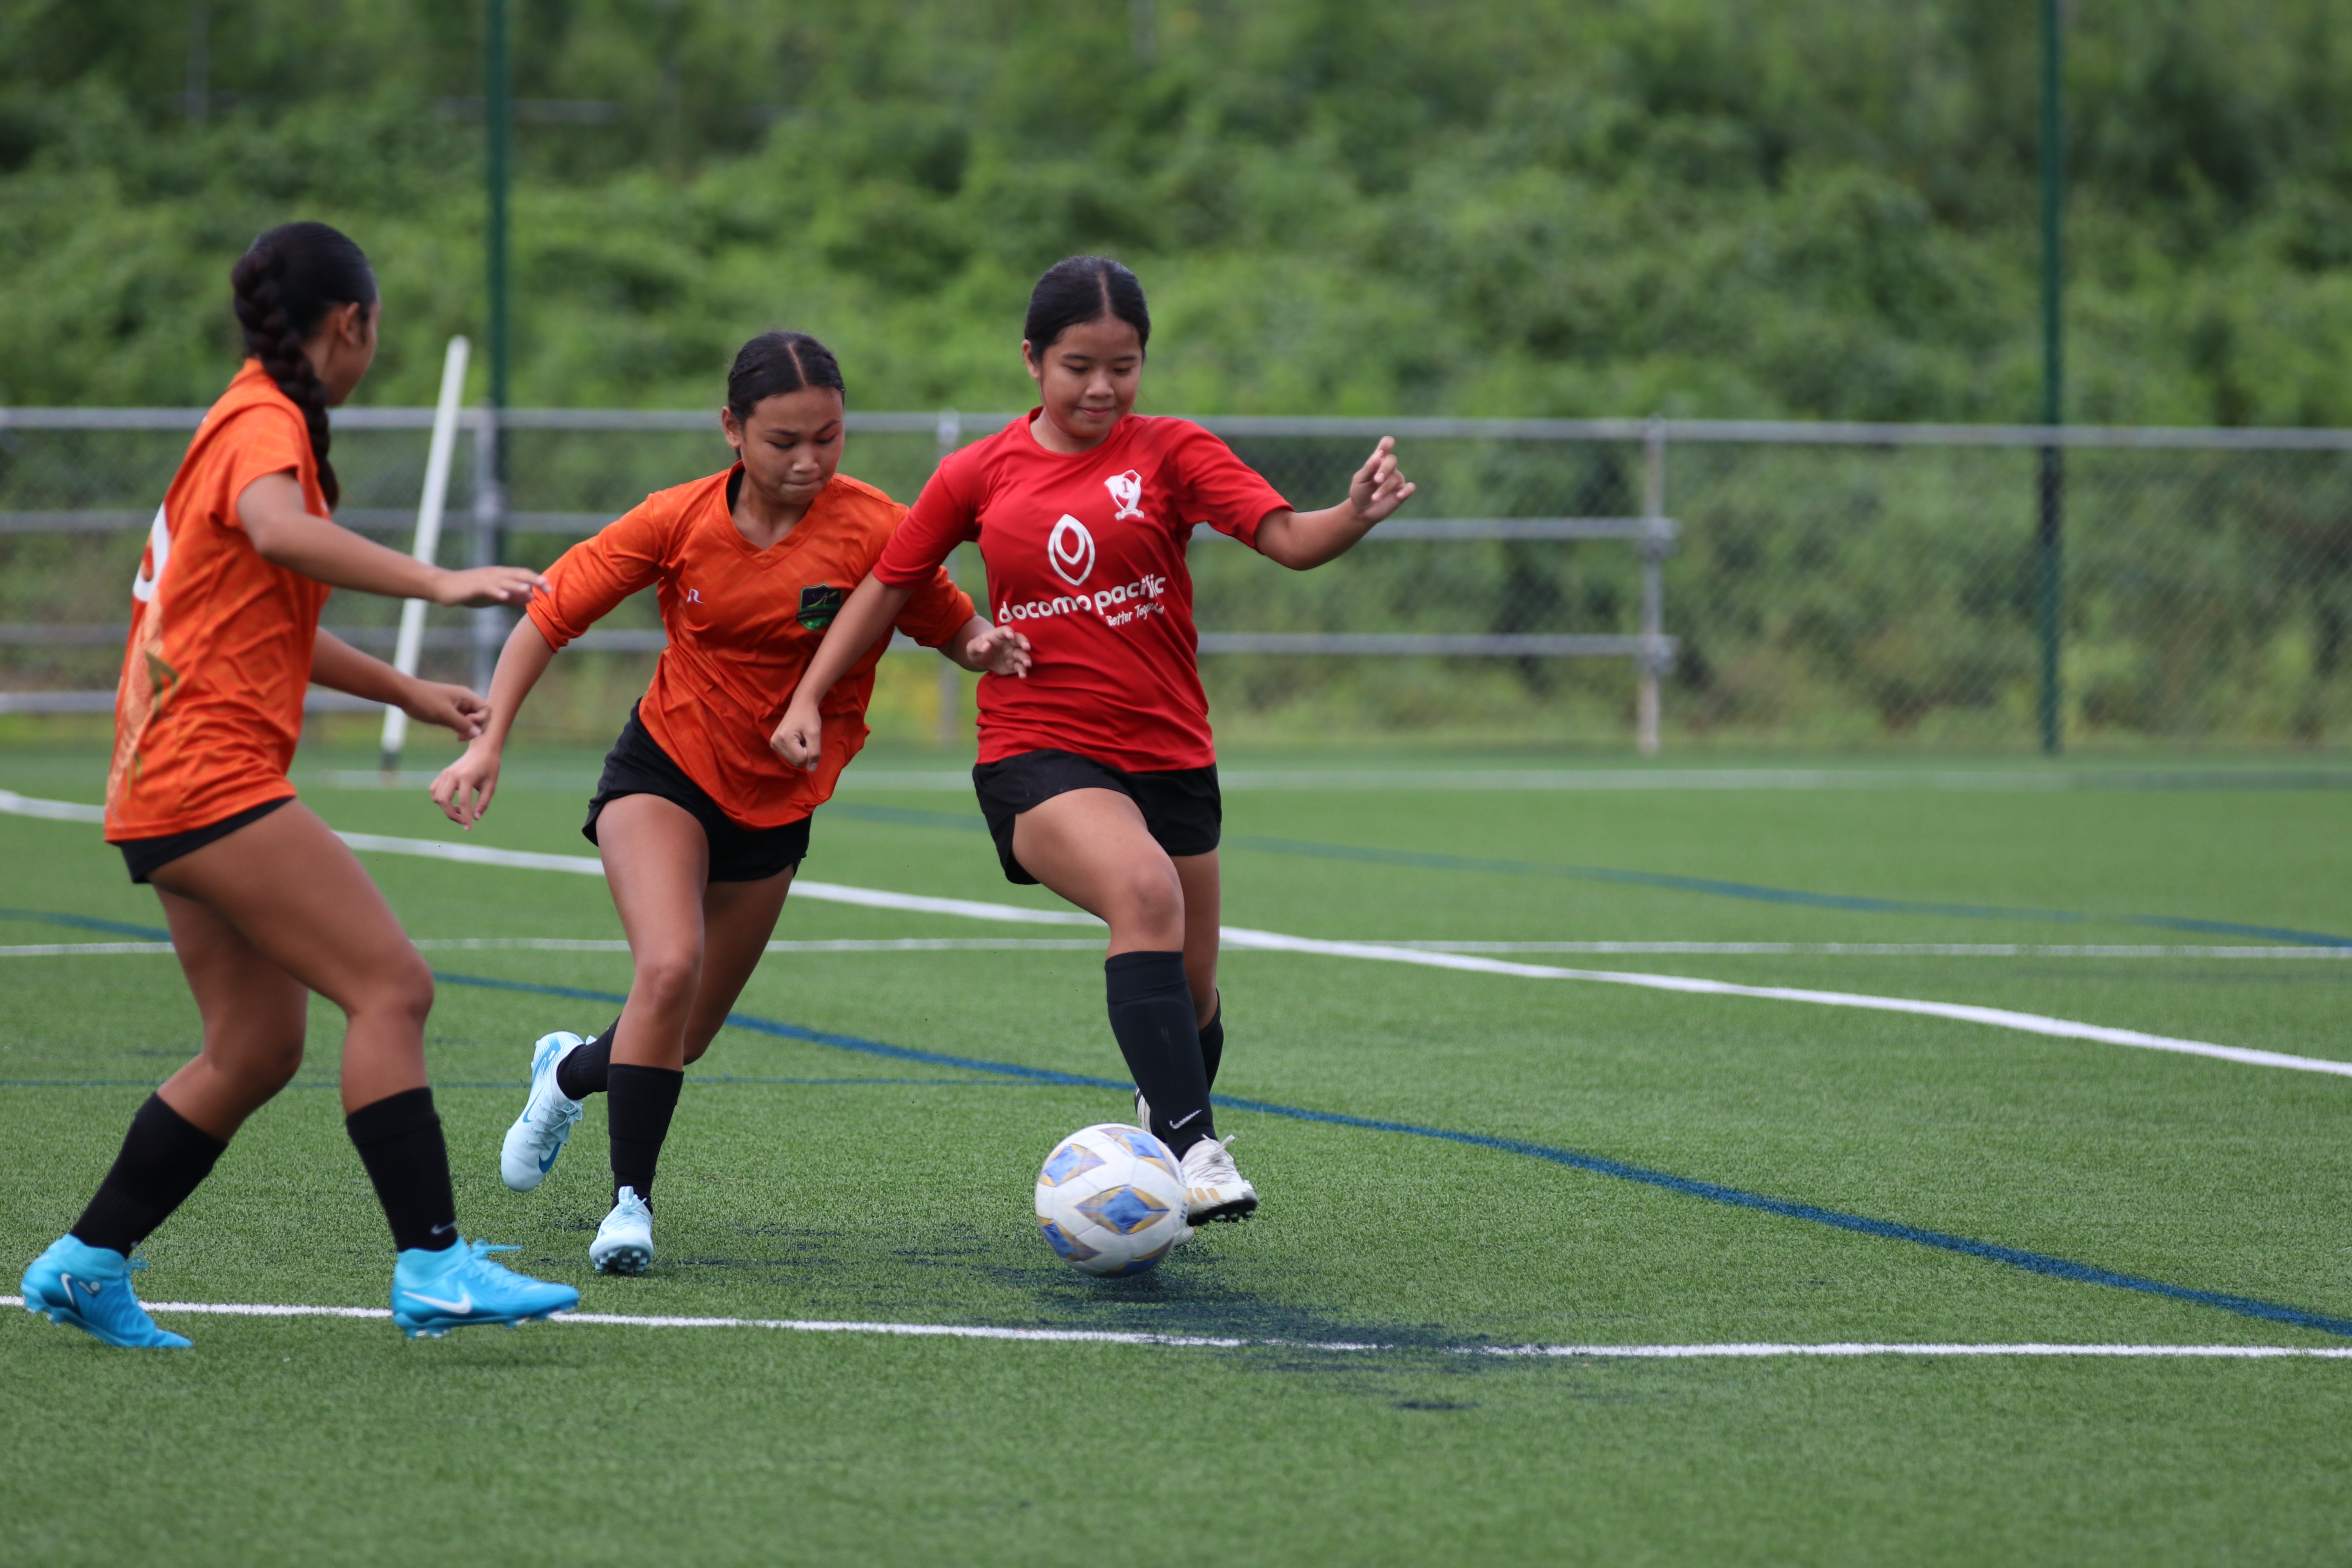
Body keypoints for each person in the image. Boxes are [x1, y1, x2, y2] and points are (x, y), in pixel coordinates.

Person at [19, 222, 577, 1348]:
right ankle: (433, 1265)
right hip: (206, 776)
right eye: (375, 334)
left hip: (163, 781)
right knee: (392, 989)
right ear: (351, 325)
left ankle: (87, 1261)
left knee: (256, 1046)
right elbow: (282, 535)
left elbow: (262, 613)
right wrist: (440, 578)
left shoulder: (245, 420)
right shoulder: (265, 426)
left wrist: (408, 692)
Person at [771, 256, 1414, 1227]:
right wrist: (811, 694)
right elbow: (887, 588)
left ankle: (1165, 1126)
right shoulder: (977, 473)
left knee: (1194, 993)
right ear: (1033, 360)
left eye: (1124, 365)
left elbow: (1287, 538)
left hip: (1172, 754)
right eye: (1079, 365)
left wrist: (1353, 516)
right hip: (1040, 749)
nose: (1103, 387)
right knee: (1143, 892)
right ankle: (1195, 1151)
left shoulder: (1175, 453)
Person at [432, 330, 1024, 1275]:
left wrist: (986, 646)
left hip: (777, 804)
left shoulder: (873, 525)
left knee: (684, 1033)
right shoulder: (677, 521)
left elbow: (949, 620)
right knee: (668, 968)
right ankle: (631, 1205)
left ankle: (569, 1073)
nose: (809, 460)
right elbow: (551, 614)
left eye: (828, 437)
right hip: (662, 771)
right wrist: (489, 735)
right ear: (731, 431)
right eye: (784, 439)